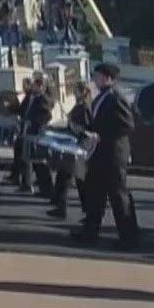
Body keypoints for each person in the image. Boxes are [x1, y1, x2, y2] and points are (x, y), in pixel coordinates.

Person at [74, 63, 139, 248]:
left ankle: (128, 237)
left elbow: (127, 125)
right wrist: (87, 130)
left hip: (113, 153)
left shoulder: (116, 98)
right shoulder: (101, 97)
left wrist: (101, 134)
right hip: (100, 152)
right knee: (95, 192)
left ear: (108, 78)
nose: (95, 79)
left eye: (98, 76)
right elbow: (99, 121)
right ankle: (89, 232)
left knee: (118, 195)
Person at [47, 81, 93, 220]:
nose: (73, 92)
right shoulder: (81, 105)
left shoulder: (83, 107)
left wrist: (72, 129)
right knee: (67, 178)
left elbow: (84, 128)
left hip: (77, 147)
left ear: (82, 92)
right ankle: (62, 207)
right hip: (74, 146)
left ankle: (87, 212)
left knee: (73, 180)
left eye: (76, 90)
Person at [13, 74, 51, 194]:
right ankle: (26, 184)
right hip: (26, 130)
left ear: (42, 87)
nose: (34, 87)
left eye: (37, 85)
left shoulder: (43, 99)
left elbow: (46, 116)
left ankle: (46, 188)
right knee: (25, 158)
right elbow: (22, 110)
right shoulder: (30, 97)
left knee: (38, 160)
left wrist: (34, 122)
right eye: (34, 84)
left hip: (36, 131)